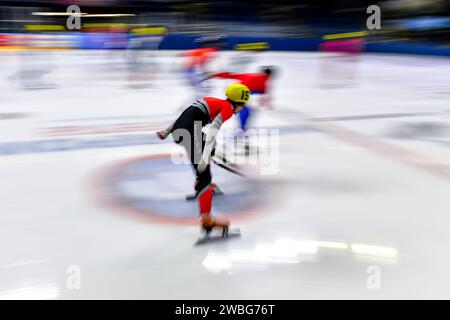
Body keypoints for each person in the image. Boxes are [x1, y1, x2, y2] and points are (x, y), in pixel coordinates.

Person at [156, 83, 251, 234]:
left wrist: (166, 131)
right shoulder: (226, 109)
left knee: (209, 148)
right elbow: (213, 131)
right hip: (190, 134)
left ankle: (202, 183)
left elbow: (184, 115)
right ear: (239, 103)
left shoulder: (212, 101)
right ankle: (206, 219)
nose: (242, 108)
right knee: (204, 175)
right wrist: (204, 157)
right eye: (243, 105)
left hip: (180, 132)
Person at [207, 66, 275, 135]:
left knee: (242, 110)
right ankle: (241, 129)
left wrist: (215, 75)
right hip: (240, 93)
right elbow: (265, 94)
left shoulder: (249, 75)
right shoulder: (265, 80)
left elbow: (231, 75)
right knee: (244, 111)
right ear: (270, 75)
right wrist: (266, 104)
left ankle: (240, 128)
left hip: (232, 90)